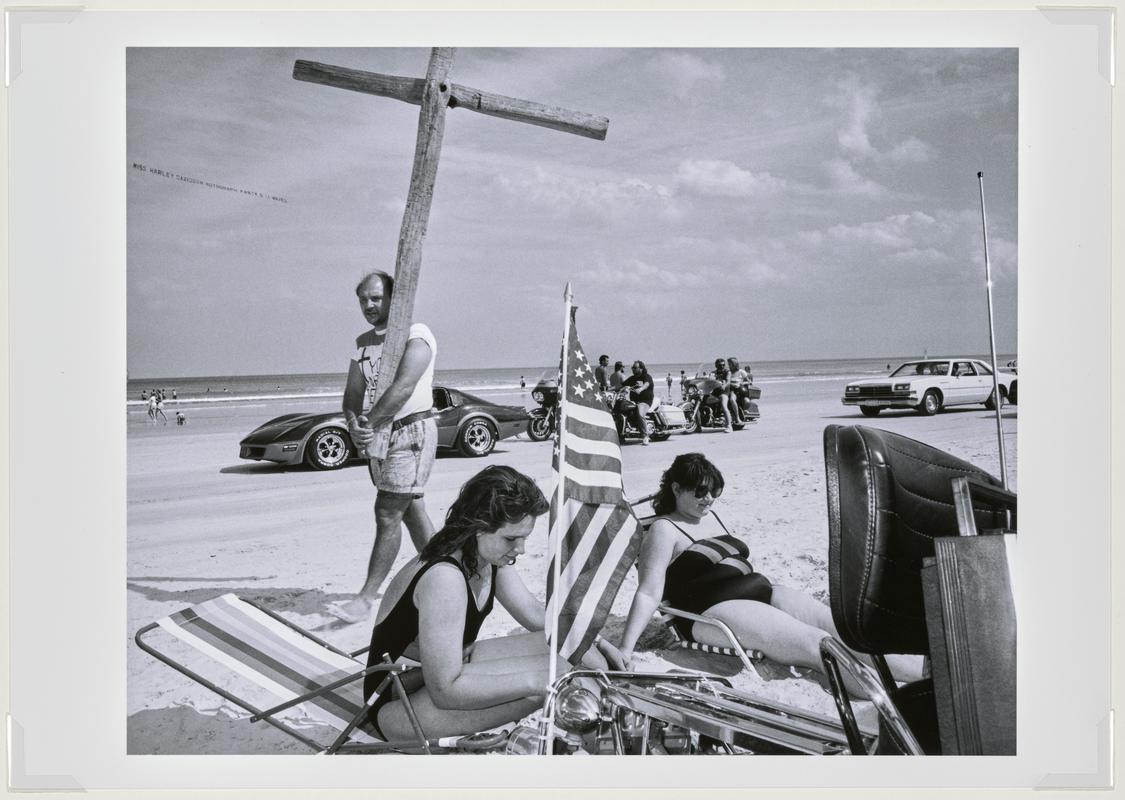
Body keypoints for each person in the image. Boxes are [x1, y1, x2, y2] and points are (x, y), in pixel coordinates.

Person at [616, 454, 921, 697]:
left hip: (757, 592)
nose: (708, 499)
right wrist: (625, 649)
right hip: (710, 612)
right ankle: (895, 703)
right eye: (699, 491)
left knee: (845, 627)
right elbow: (648, 592)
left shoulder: (708, 516)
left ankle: (925, 675)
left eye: (715, 491)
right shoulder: (663, 530)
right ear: (676, 488)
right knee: (819, 644)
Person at [363, 466, 623, 740]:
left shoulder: (485, 556)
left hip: (447, 672)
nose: (520, 549)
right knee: (560, 676)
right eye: (511, 538)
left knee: (583, 654)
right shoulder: (444, 578)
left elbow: (535, 615)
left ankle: (607, 734)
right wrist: (539, 681)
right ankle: (605, 745)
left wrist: (598, 642)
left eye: (524, 538)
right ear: (478, 526)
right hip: (399, 701)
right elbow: (446, 691)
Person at [331, 270, 439, 624]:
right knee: (411, 512)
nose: (369, 305)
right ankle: (447, 573)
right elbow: (351, 394)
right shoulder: (362, 342)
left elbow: (404, 387)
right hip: (379, 436)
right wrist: (354, 423)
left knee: (387, 512)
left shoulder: (417, 334)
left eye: (376, 298)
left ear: (396, 298)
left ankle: (365, 598)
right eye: (363, 299)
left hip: (411, 432)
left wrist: (368, 424)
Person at [619, 360, 655, 445]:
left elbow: (646, 384)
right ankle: (621, 435)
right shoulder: (632, 378)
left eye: (635, 368)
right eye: (632, 367)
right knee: (620, 408)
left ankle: (645, 436)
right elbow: (621, 385)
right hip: (634, 401)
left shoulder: (646, 376)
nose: (633, 369)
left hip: (645, 401)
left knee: (640, 412)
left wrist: (640, 389)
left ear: (641, 368)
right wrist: (609, 389)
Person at [710, 358, 734, 432]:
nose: (722, 366)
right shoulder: (714, 372)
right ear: (716, 365)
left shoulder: (727, 372)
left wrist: (724, 385)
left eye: (723, 365)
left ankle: (729, 426)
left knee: (724, 405)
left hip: (724, 391)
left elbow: (728, 381)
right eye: (720, 365)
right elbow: (710, 380)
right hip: (715, 392)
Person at [726, 357, 750, 424]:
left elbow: (748, 381)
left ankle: (737, 418)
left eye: (730, 364)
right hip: (727, 389)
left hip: (736, 390)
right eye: (728, 364)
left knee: (732, 400)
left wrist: (740, 384)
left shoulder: (741, 372)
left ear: (734, 364)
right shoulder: (728, 372)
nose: (729, 365)